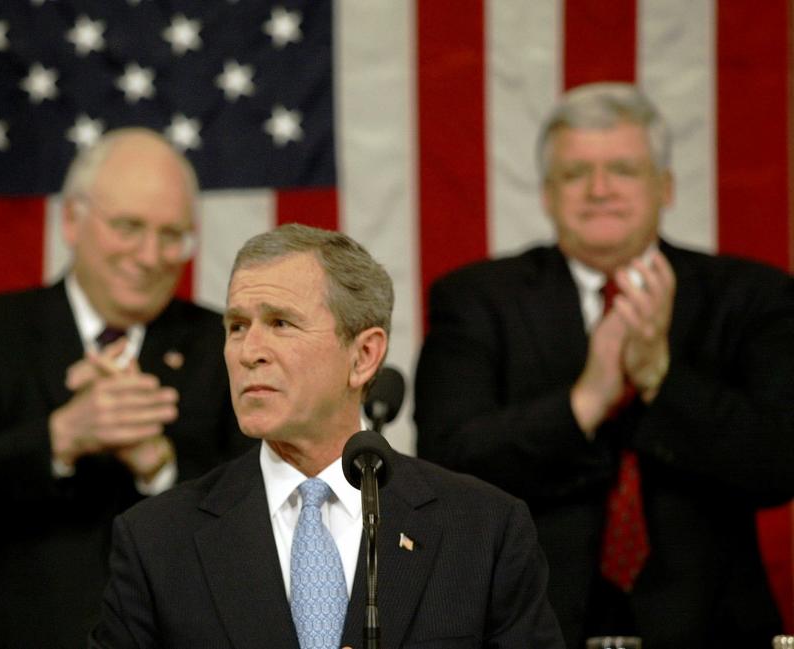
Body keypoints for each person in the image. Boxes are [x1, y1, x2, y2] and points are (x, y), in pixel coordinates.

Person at [414, 82, 794, 648]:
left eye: (622, 169)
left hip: (714, 628)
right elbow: (447, 463)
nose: (599, 190)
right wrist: (585, 402)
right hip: (531, 626)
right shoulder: (476, 300)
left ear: (664, 186)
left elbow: (779, 463)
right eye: (575, 174)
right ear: (546, 193)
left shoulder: (752, 296)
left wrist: (661, 377)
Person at [89, 223, 565, 648]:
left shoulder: (483, 531)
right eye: (237, 326)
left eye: (280, 323)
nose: (248, 351)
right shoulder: (157, 542)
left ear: (363, 357)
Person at [0, 128, 251, 649]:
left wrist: (158, 464)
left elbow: (258, 524)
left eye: (172, 234)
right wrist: (62, 437)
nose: (151, 254)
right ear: (72, 220)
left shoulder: (227, 344)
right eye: (129, 226)